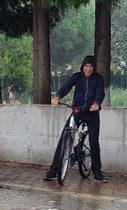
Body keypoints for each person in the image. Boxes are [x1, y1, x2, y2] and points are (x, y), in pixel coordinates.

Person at [46, 55, 107, 183]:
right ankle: (53, 171)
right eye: (86, 66)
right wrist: (57, 97)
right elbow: (66, 87)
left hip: (91, 113)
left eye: (91, 66)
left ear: (94, 67)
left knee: (94, 142)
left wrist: (96, 103)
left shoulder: (98, 78)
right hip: (77, 111)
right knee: (64, 137)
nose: (88, 69)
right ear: (82, 66)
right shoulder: (77, 76)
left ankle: (97, 172)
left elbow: (100, 92)